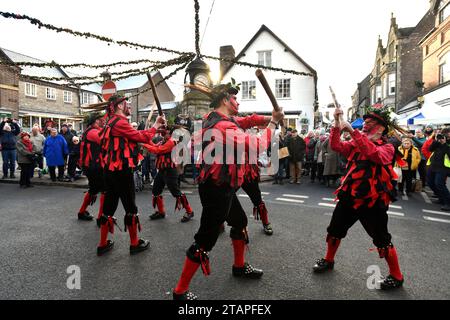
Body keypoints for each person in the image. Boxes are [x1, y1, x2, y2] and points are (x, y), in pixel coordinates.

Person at [172, 80, 284, 300]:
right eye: (234, 98)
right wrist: (272, 124)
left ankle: (239, 266)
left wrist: (270, 116)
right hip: (217, 189)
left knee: (240, 221)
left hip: (221, 186)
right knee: (205, 240)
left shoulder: (213, 119)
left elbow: (246, 120)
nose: (238, 101)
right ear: (225, 100)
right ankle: (180, 291)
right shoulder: (223, 126)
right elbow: (257, 146)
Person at [313, 104, 405, 290]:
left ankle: (397, 275)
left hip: (373, 201)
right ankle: (328, 260)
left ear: (380, 128)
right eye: (364, 122)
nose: (364, 124)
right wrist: (337, 123)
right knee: (334, 230)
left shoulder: (388, 147)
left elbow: (375, 155)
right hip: (349, 196)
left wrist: (352, 130)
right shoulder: (357, 142)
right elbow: (337, 145)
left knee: (381, 238)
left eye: (369, 122)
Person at [96, 95, 165, 256]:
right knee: (130, 205)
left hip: (110, 169)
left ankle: (102, 244)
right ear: (119, 106)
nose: (127, 105)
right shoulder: (120, 122)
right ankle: (134, 244)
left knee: (109, 205)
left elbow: (133, 136)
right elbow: (141, 137)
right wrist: (156, 124)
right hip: (121, 170)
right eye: (125, 102)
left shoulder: (110, 121)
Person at [142, 126, 194, 223]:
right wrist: (146, 140)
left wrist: (144, 144)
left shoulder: (172, 142)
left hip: (171, 171)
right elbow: (155, 146)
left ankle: (189, 211)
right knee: (156, 191)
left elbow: (158, 150)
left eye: (166, 133)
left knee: (176, 193)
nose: (163, 134)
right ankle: (161, 212)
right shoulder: (163, 141)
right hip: (162, 171)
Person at [77, 112, 106, 222]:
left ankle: (81, 212)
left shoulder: (92, 130)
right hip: (94, 166)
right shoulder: (93, 132)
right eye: (100, 119)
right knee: (105, 190)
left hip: (92, 166)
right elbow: (105, 140)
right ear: (96, 121)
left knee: (93, 189)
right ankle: (101, 217)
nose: (103, 121)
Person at [427, 128, 450, 212]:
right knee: (430, 182)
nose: (446, 135)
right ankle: (441, 198)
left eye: (447, 134)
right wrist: (436, 140)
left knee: (439, 184)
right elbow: (430, 149)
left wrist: (444, 144)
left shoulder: (447, 144)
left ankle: (448, 202)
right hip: (433, 165)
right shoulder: (438, 141)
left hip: (443, 167)